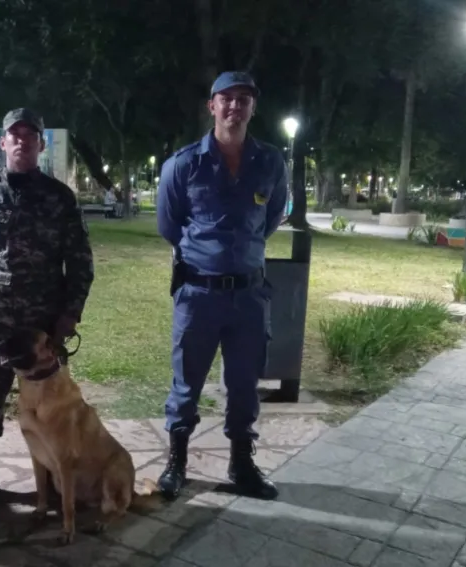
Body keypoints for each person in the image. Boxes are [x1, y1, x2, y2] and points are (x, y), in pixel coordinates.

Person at [0, 108, 95, 508]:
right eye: (15, 134)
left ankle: (53, 478)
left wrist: (69, 314)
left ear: (41, 144)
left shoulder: (60, 198)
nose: (22, 140)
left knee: (51, 404)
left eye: (31, 135)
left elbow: (80, 260)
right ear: (2, 142)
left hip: (43, 325)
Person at [155, 72, 288, 501]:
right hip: (198, 294)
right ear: (211, 105)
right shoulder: (184, 163)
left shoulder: (270, 162)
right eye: (226, 99)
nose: (235, 106)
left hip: (249, 295)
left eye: (244, 99)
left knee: (245, 383)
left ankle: (242, 464)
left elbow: (269, 222)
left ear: (253, 108)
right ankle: (176, 462)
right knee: (186, 382)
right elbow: (169, 226)